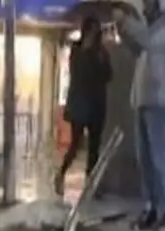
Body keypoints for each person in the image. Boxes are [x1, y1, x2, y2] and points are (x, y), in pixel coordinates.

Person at [113, 0, 165, 231]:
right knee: (145, 160)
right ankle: (151, 207)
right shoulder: (151, 25)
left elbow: (150, 41)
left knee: (158, 156)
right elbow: (138, 48)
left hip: (159, 99)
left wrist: (127, 21)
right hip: (142, 98)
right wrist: (122, 30)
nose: (145, 6)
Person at [55, 15, 113, 196]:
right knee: (76, 144)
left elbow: (108, 76)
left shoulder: (102, 52)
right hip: (80, 102)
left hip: (96, 103)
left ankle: (92, 185)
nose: (94, 34)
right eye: (91, 30)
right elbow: (76, 74)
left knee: (94, 147)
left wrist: (100, 59)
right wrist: (87, 54)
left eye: (97, 31)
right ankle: (61, 174)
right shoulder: (77, 49)